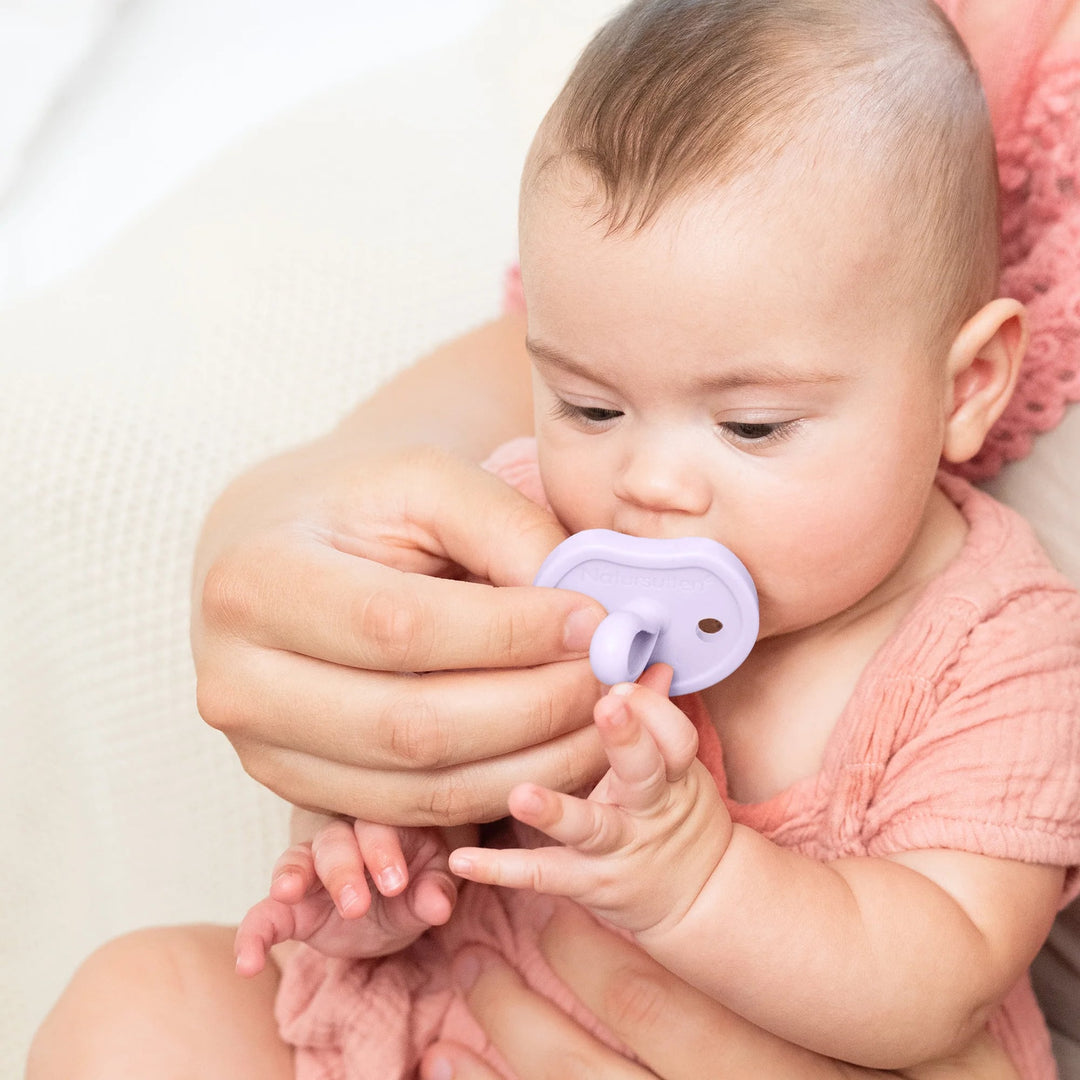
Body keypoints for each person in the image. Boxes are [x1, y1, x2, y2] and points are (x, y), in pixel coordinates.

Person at [25, 0, 1080, 1078]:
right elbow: (412, 740)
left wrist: (699, 879)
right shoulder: (529, 530)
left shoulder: (997, 644)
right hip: (443, 1030)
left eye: (752, 426)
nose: (649, 482)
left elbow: (938, 980)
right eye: (589, 406)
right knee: (141, 1003)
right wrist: (371, 858)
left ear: (967, 388)